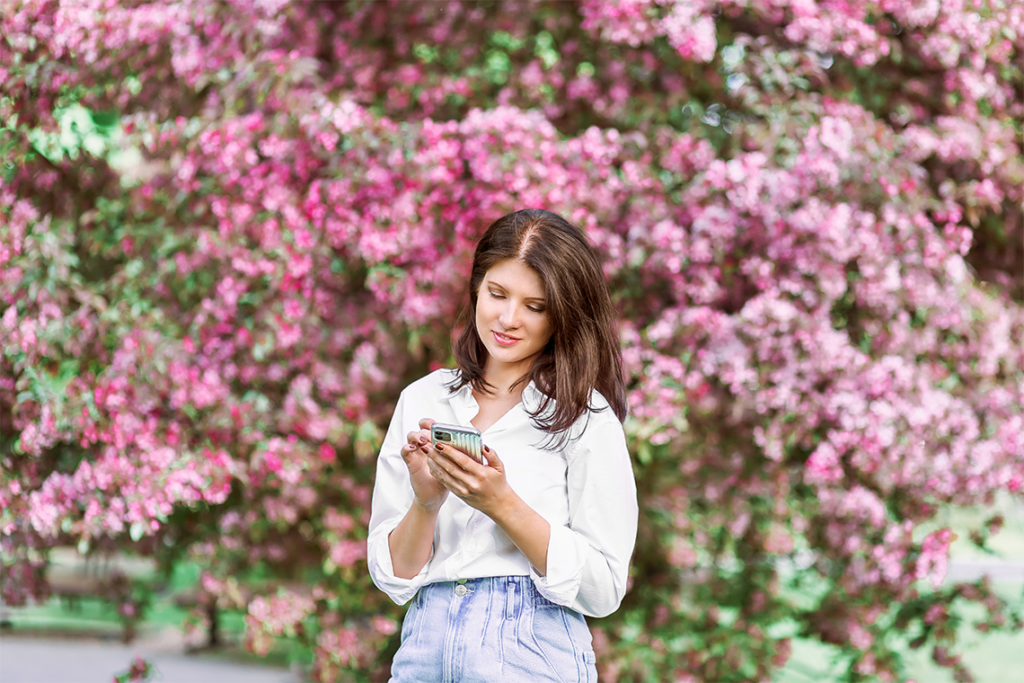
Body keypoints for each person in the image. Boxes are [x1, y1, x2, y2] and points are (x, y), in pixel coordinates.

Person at [367, 209, 638, 682]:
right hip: (425, 645)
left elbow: (604, 588)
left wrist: (502, 504)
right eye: (497, 294)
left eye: (535, 306)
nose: (509, 319)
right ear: (477, 288)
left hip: (531, 649)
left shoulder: (584, 417)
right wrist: (427, 503)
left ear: (564, 314)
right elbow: (395, 577)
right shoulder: (423, 399)